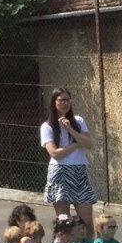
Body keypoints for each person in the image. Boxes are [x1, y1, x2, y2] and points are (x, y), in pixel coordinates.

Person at [40, 87, 95, 235]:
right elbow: (54, 153)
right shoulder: (47, 126)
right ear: (54, 102)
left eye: (68, 100)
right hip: (60, 173)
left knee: (87, 223)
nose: (65, 103)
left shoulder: (78, 121)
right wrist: (76, 144)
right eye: (61, 100)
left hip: (79, 173)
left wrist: (70, 129)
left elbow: (89, 144)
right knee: (64, 223)